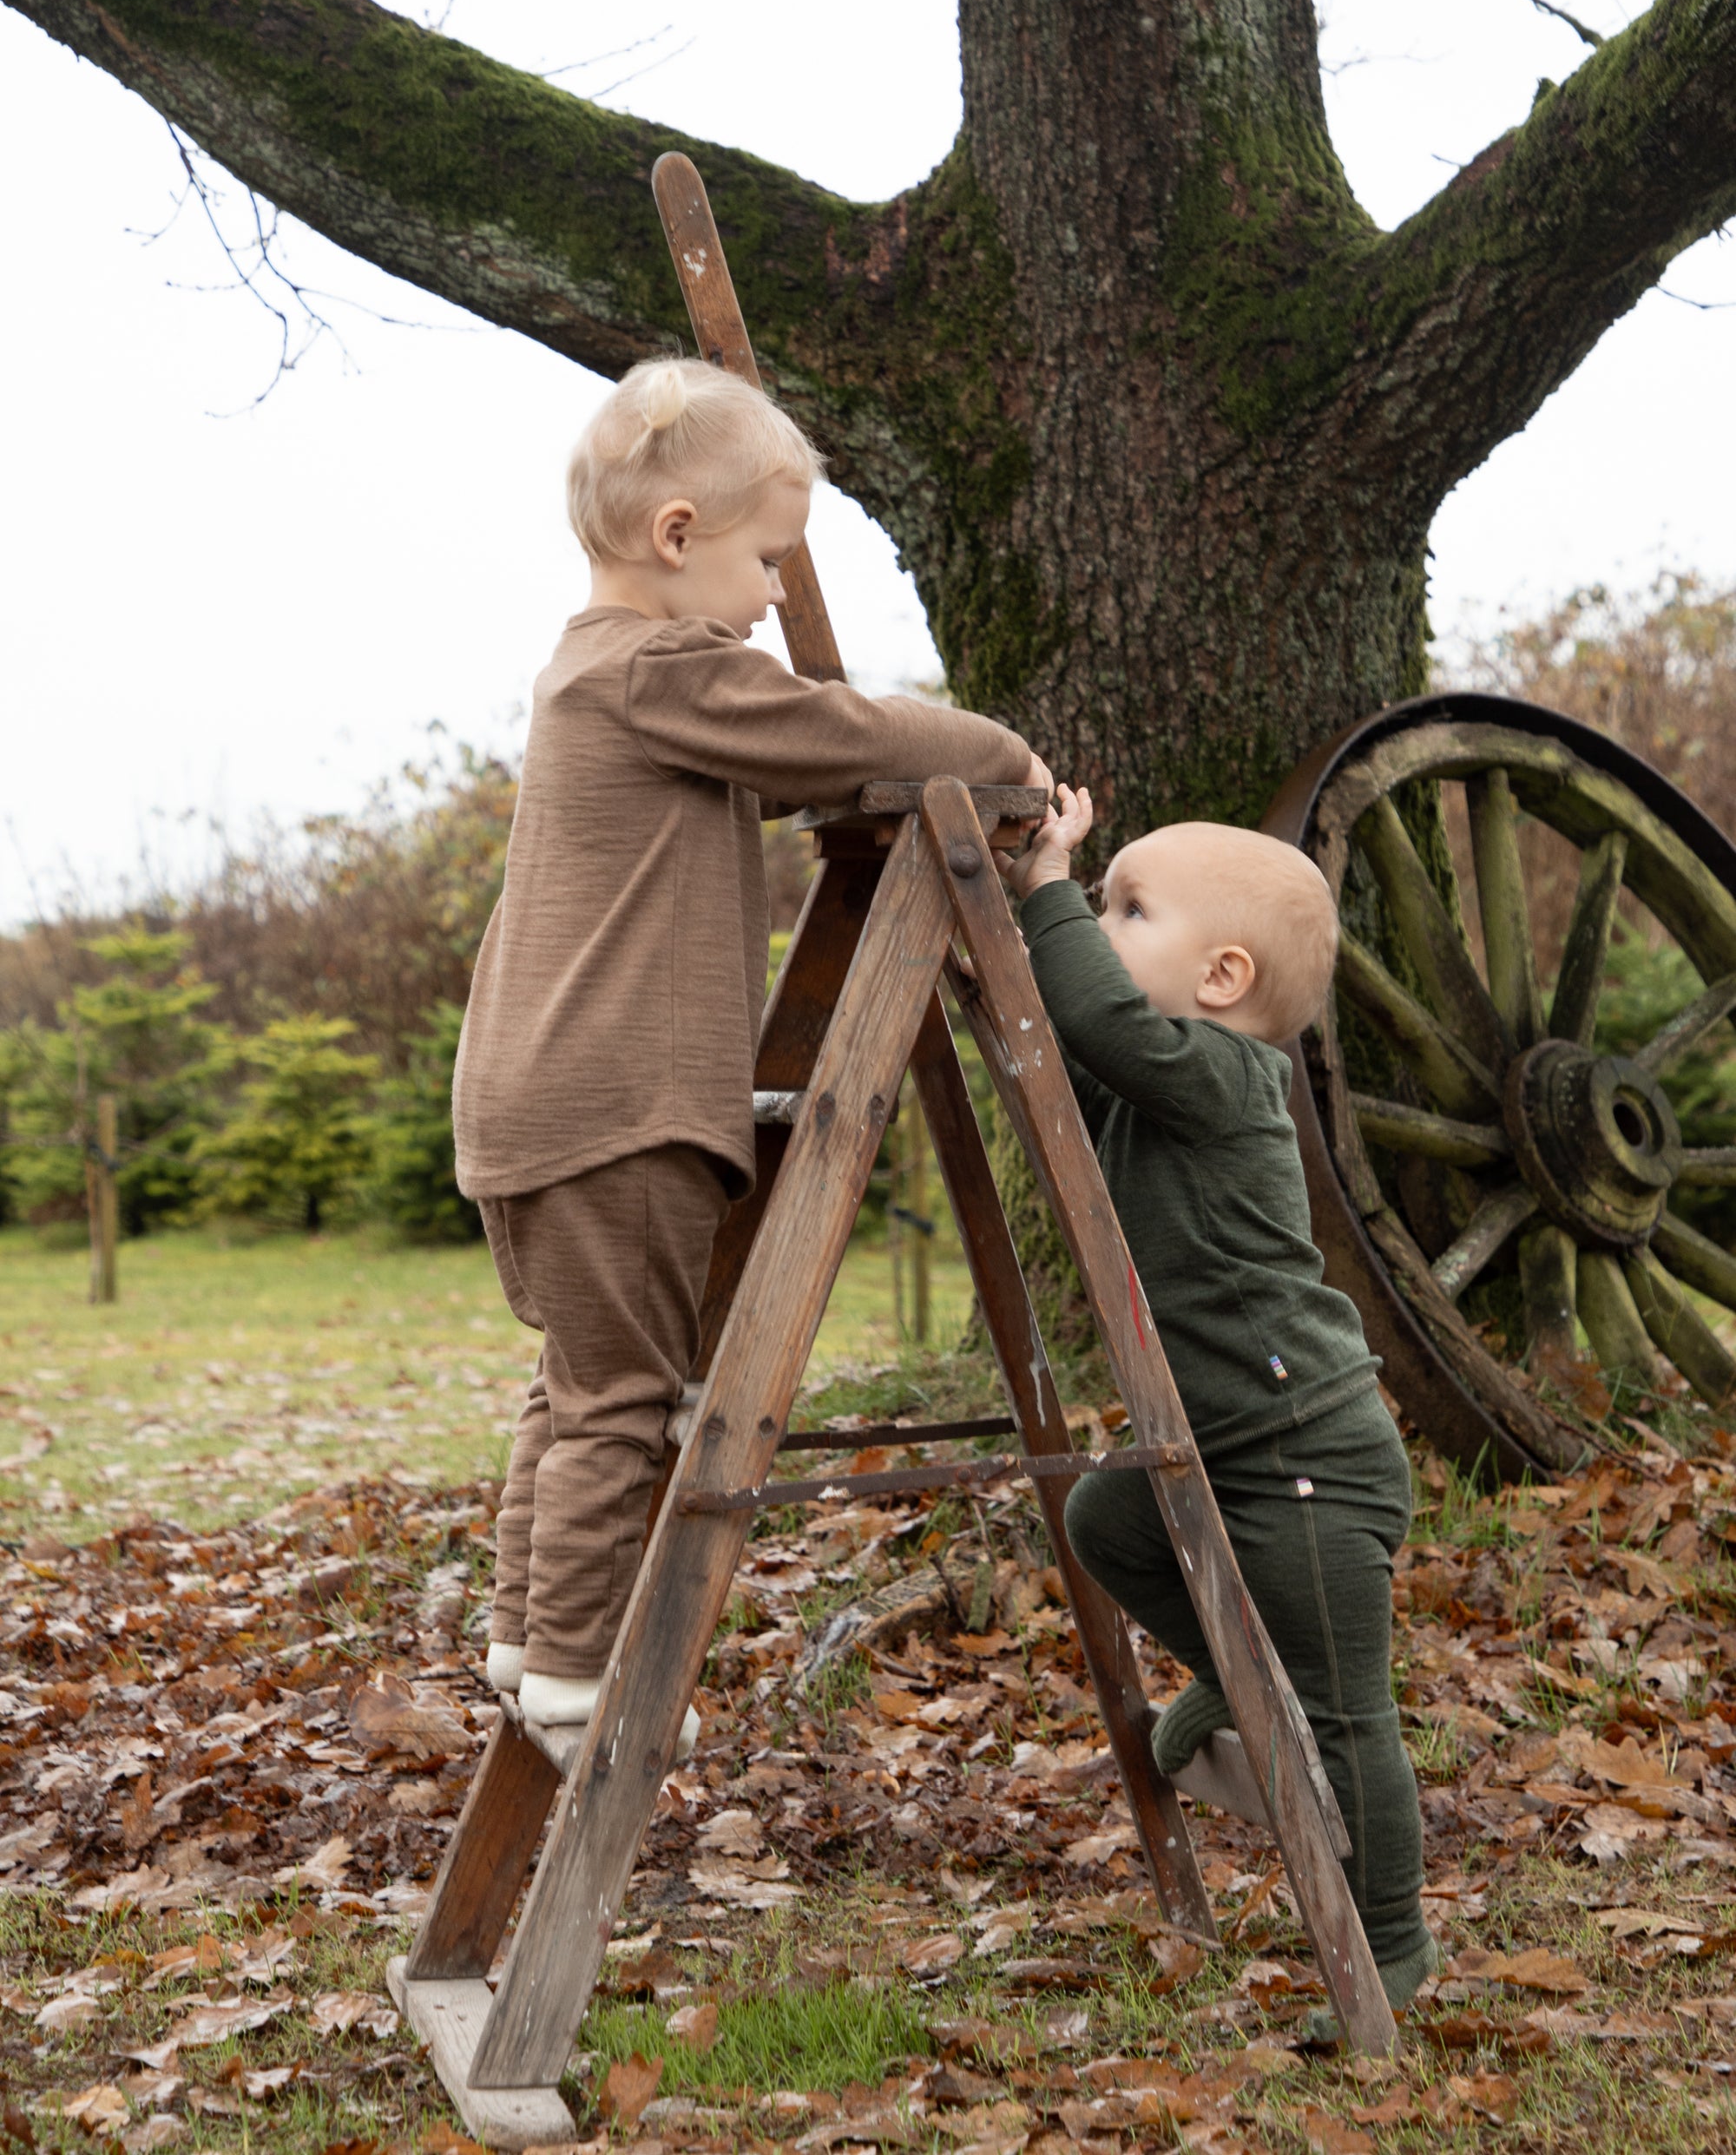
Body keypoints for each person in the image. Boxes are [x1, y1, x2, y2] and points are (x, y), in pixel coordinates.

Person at [454, 356, 1044, 1741]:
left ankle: (521, 1638)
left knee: (579, 1382)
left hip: (534, 1106)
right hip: (622, 1110)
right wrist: (1000, 755)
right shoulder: (663, 669)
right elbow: (842, 733)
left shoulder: (586, 673)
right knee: (625, 1400)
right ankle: (581, 1682)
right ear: (676, 539)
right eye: (768, 559)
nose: (778, 594)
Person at [1000, 787, 1434, 2014]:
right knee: (1106, 1524)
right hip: (1224, 1444)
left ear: (1225, 975)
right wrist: (991, 956)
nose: (1093, 914)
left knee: (1350, 1718)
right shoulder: (1155, 1091)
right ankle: (1236, 1681)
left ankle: (1392, 1937)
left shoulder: (1229, 1076)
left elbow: (1093, 1013)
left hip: (1307, 1450)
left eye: (1126, 907)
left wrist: (1041, 892)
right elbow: (1058, 1050)